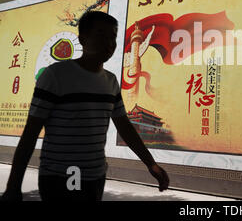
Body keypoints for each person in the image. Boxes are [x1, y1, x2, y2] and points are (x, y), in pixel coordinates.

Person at [1, 11, 169, 201]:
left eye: (112, 37)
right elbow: (30, 134)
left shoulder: (110, 82)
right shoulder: (56, 76)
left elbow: (125, 127)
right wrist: (13, 186)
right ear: (82, 39)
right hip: (61, 177)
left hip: (95, 176)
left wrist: (151, 164)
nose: (108, 43)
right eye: (100, 35)